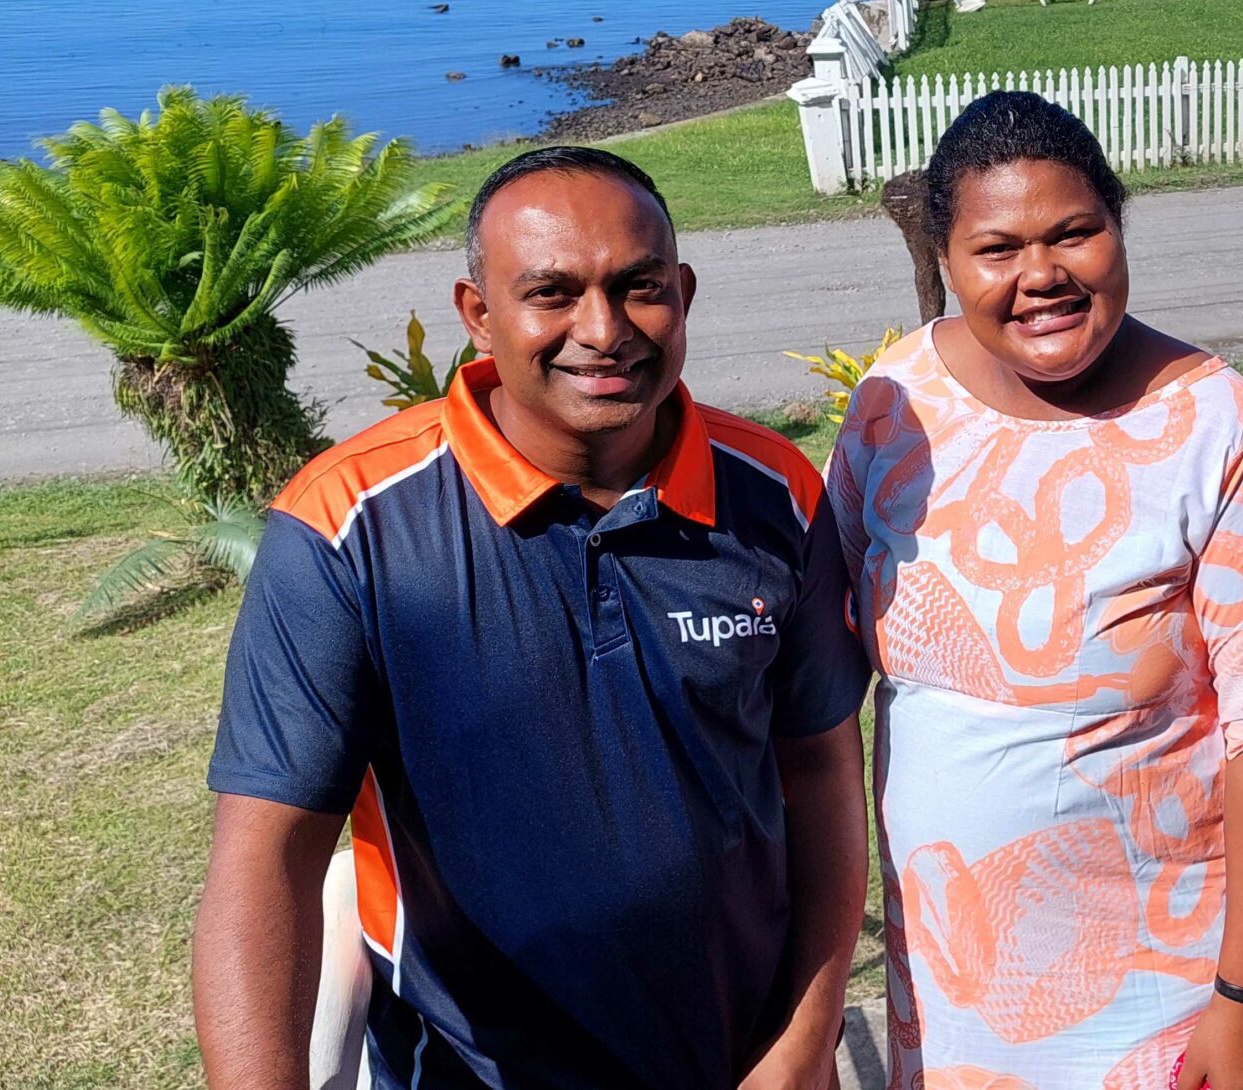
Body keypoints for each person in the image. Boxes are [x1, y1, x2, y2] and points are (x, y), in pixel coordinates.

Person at [194, 147, 871, 1089]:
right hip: (467, 1069)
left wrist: (802, 1041)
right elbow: (266, 854)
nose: (603, 329)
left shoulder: (777, 496)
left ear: (682, 290)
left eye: (639, 288)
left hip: (745, 1058)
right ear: (478, 315)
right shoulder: (349, 524)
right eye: (551, 293)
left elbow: (825, 776)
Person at [823, 91, 1243, 1090]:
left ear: (1119, 224)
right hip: (954, 973)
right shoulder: (896, 397)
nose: (1041, 274)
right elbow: (831, 651)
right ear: (948, 258)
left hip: (1157, 983)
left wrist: (1242, 992)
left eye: (1074, 233)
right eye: (996, 248)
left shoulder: (1221, 428)